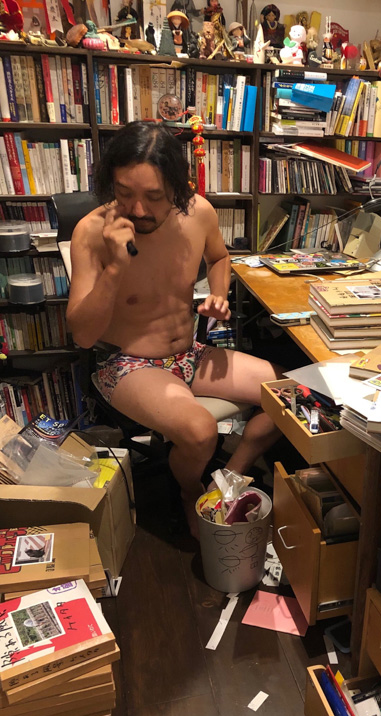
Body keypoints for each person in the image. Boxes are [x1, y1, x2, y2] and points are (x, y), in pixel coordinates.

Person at [67, 122, 283, 536]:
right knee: (201, 431)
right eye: (124, 192)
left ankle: (225, 485)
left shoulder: (198, 212)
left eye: (154, 196)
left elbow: (220, 258)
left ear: (178, 187)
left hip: (189, 353)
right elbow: (83, 335)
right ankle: (190, 492)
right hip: (126, 364)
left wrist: (218, 294)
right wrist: (115, 266)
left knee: (289, 394)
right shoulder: (92, 232)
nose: (138, 210)